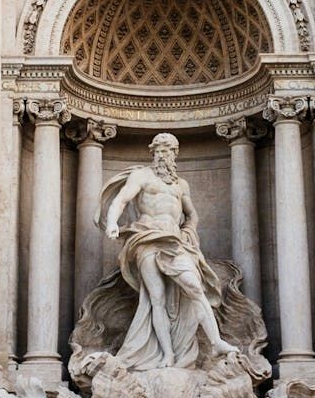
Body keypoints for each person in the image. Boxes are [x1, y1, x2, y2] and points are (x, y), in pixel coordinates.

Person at [98, 133, 238, 370]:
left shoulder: (181, 185)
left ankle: (216, 342)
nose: (163, 155)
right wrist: (112, 222)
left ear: (175, 154)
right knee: (157, 299)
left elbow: (192, 214)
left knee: (195, 287)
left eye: (168, 151)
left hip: (174, 241)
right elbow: (121, 200)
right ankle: (167, 355)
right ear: (152, 153)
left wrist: (189, 231)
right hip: (146, 238)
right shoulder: (141, 176)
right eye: (159, 151)